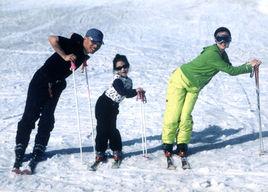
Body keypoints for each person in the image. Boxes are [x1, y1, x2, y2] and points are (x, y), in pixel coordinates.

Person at [12, 28, 104, 173]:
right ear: (86, 38)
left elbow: (80, 54)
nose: (96, 46)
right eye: (93, 42)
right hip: (41, 81)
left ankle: (39, 147)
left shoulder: (83, 51)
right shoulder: (75, 44)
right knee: (30, 116)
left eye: (99, 44)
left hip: (56, 85)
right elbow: (52, 39)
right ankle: (20, 147)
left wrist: (83, 60)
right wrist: (64, 55)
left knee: (48, 118)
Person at [162, 27, 262, 159]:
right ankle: (168, 144)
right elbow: (231, 71)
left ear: (229, 40)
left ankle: (182, 145)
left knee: (185, 116)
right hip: (180, 80)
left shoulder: (222, 54)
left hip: (194, 87)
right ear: (215, 39)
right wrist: (249, 66)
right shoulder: (212, 54)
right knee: (174, 114)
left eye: (226, 38)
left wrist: (249, 64)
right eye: (220, 38)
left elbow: (231, 68)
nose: (223, 41)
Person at [94, 54, 145, 163]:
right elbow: (121, 91)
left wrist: (137, 92)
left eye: (125, 66)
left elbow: (127, 94)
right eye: (119, 68)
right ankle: (100, 151)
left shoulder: (129, 81)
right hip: (103, 104)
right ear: (115, 70)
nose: (123, 69)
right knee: (102, 129)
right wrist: (135, 91)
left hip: (113, 107)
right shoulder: (117, 80)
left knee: (112, 129)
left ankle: (116, 150)